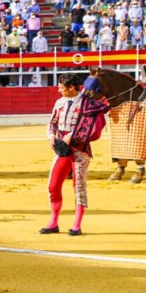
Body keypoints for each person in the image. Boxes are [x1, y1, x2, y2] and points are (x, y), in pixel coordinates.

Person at [42, 74, 109, 236]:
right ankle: (53, 222)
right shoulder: (60, 103)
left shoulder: (88, 104)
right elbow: (52, 123)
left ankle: (77, 224)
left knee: (78, 186)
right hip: (62, 149)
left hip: (80, 150)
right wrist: (51, 136)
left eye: (61, 87)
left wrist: (72, 134)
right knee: (53, 185)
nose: (59, 90)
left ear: (71, 88)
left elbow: (92, 127)